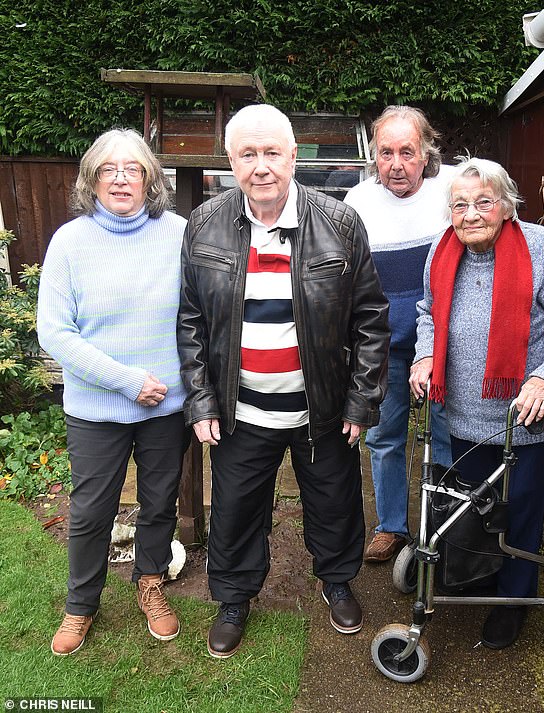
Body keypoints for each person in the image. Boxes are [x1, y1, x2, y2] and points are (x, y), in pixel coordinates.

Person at [177, 104, 390, 659]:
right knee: (235, 510)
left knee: (334, 502)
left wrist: (361, 400)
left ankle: (337, 581)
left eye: (272, 152)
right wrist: (201, 401)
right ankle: (233, 597)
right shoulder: (204, 224)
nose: (261, 166)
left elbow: (369, 317)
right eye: (247, 154)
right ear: (230, 161)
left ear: (293, 156)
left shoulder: (339, 223)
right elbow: (192, 319)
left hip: (320, 408)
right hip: (239, 409)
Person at [409, 156, 544, 649]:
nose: (470, 214)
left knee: (521, 512)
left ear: (507, 205)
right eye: (459, 205)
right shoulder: (442, 249)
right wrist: (424, 357)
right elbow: (428, 311)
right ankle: (479, 578)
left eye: (483, 202)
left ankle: (513, 602)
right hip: (464, 415)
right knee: (474, 506)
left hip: (527, 419)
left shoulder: (541, 249)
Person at [37, 128, 189, 656]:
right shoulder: (70, 241)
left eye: (133, 168)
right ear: (91, 180)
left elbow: (198, 315)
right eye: (109, 169)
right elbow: (55, 331)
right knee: (92, 509)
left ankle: (150, 583)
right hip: (97, 407)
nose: (121, 177)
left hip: (167, 405)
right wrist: (128, 381)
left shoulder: (178, 233)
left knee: (158, 502)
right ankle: (81, 604)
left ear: (151, 179)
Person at [344, 105, 454, 563]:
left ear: (426, 152)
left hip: (445, 337)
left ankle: (449, 525)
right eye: (385, 153)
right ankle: (392, 527)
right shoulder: (358, 201)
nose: (396, 165)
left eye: (406, 152)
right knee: (384, 435)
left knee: (448, 429)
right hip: (383, 341)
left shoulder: (453, 190)